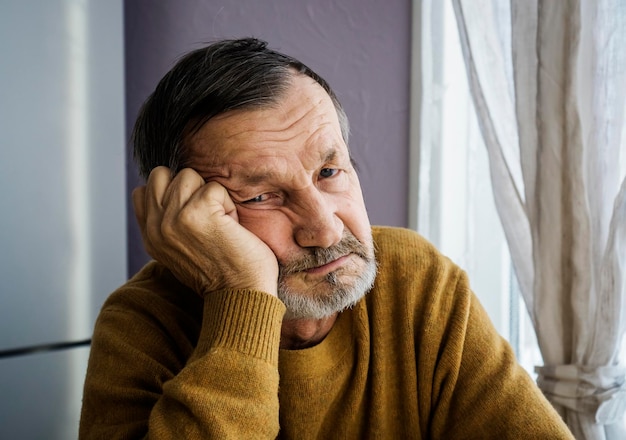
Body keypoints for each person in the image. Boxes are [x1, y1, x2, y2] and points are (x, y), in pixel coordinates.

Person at [79, 38, 574, 439]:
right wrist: (240, 297)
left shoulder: (419, 281)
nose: (326, 228)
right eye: (259, 197)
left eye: (329, 170)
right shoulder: (141, 325)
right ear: (186, 216)